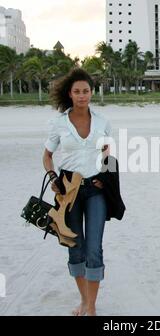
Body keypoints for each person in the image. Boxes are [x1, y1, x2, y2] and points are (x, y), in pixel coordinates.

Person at [43, 68, 111, 315]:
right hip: (68, 191)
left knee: (94, 247)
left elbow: (108, 154)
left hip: (95, 190)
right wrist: (52, 177)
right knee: (75, 246)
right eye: (77, 92)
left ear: (92, 92)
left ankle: (91, 307)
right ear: (70, 94)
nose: (82, 96)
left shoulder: (102, 121)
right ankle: (83, 300)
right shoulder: (59, 123)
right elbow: (47, 156)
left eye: (86, 91)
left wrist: (106, 178)